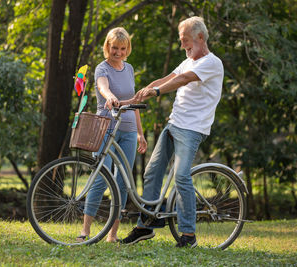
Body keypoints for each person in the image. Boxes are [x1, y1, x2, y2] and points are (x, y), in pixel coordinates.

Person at [121, 16, 224, 247]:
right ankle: (145, 226)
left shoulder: (212, 63)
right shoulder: (187, 60)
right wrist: (144, 91)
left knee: (181, 177)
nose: (182, 45)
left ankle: (188, 235)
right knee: (152, 172)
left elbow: (184, 80)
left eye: (185, 40)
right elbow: (170, 78)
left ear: (200, 37)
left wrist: (156, 92)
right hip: (174, 123)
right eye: (180, 41)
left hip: (192, 129)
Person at [76, 27, 147, 243]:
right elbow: (102, 86)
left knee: (122, 182)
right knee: (100, 176)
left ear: (128, 49)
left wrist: (140, 134)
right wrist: (110, 97)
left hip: (128, 130)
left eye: (122, 48)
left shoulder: (129, 68)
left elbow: (134, 102)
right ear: (108, 46)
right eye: (114, 47)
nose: (118, 52)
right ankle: (85, 232)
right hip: (105, 127)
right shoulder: (101, 68)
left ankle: (113, 235)